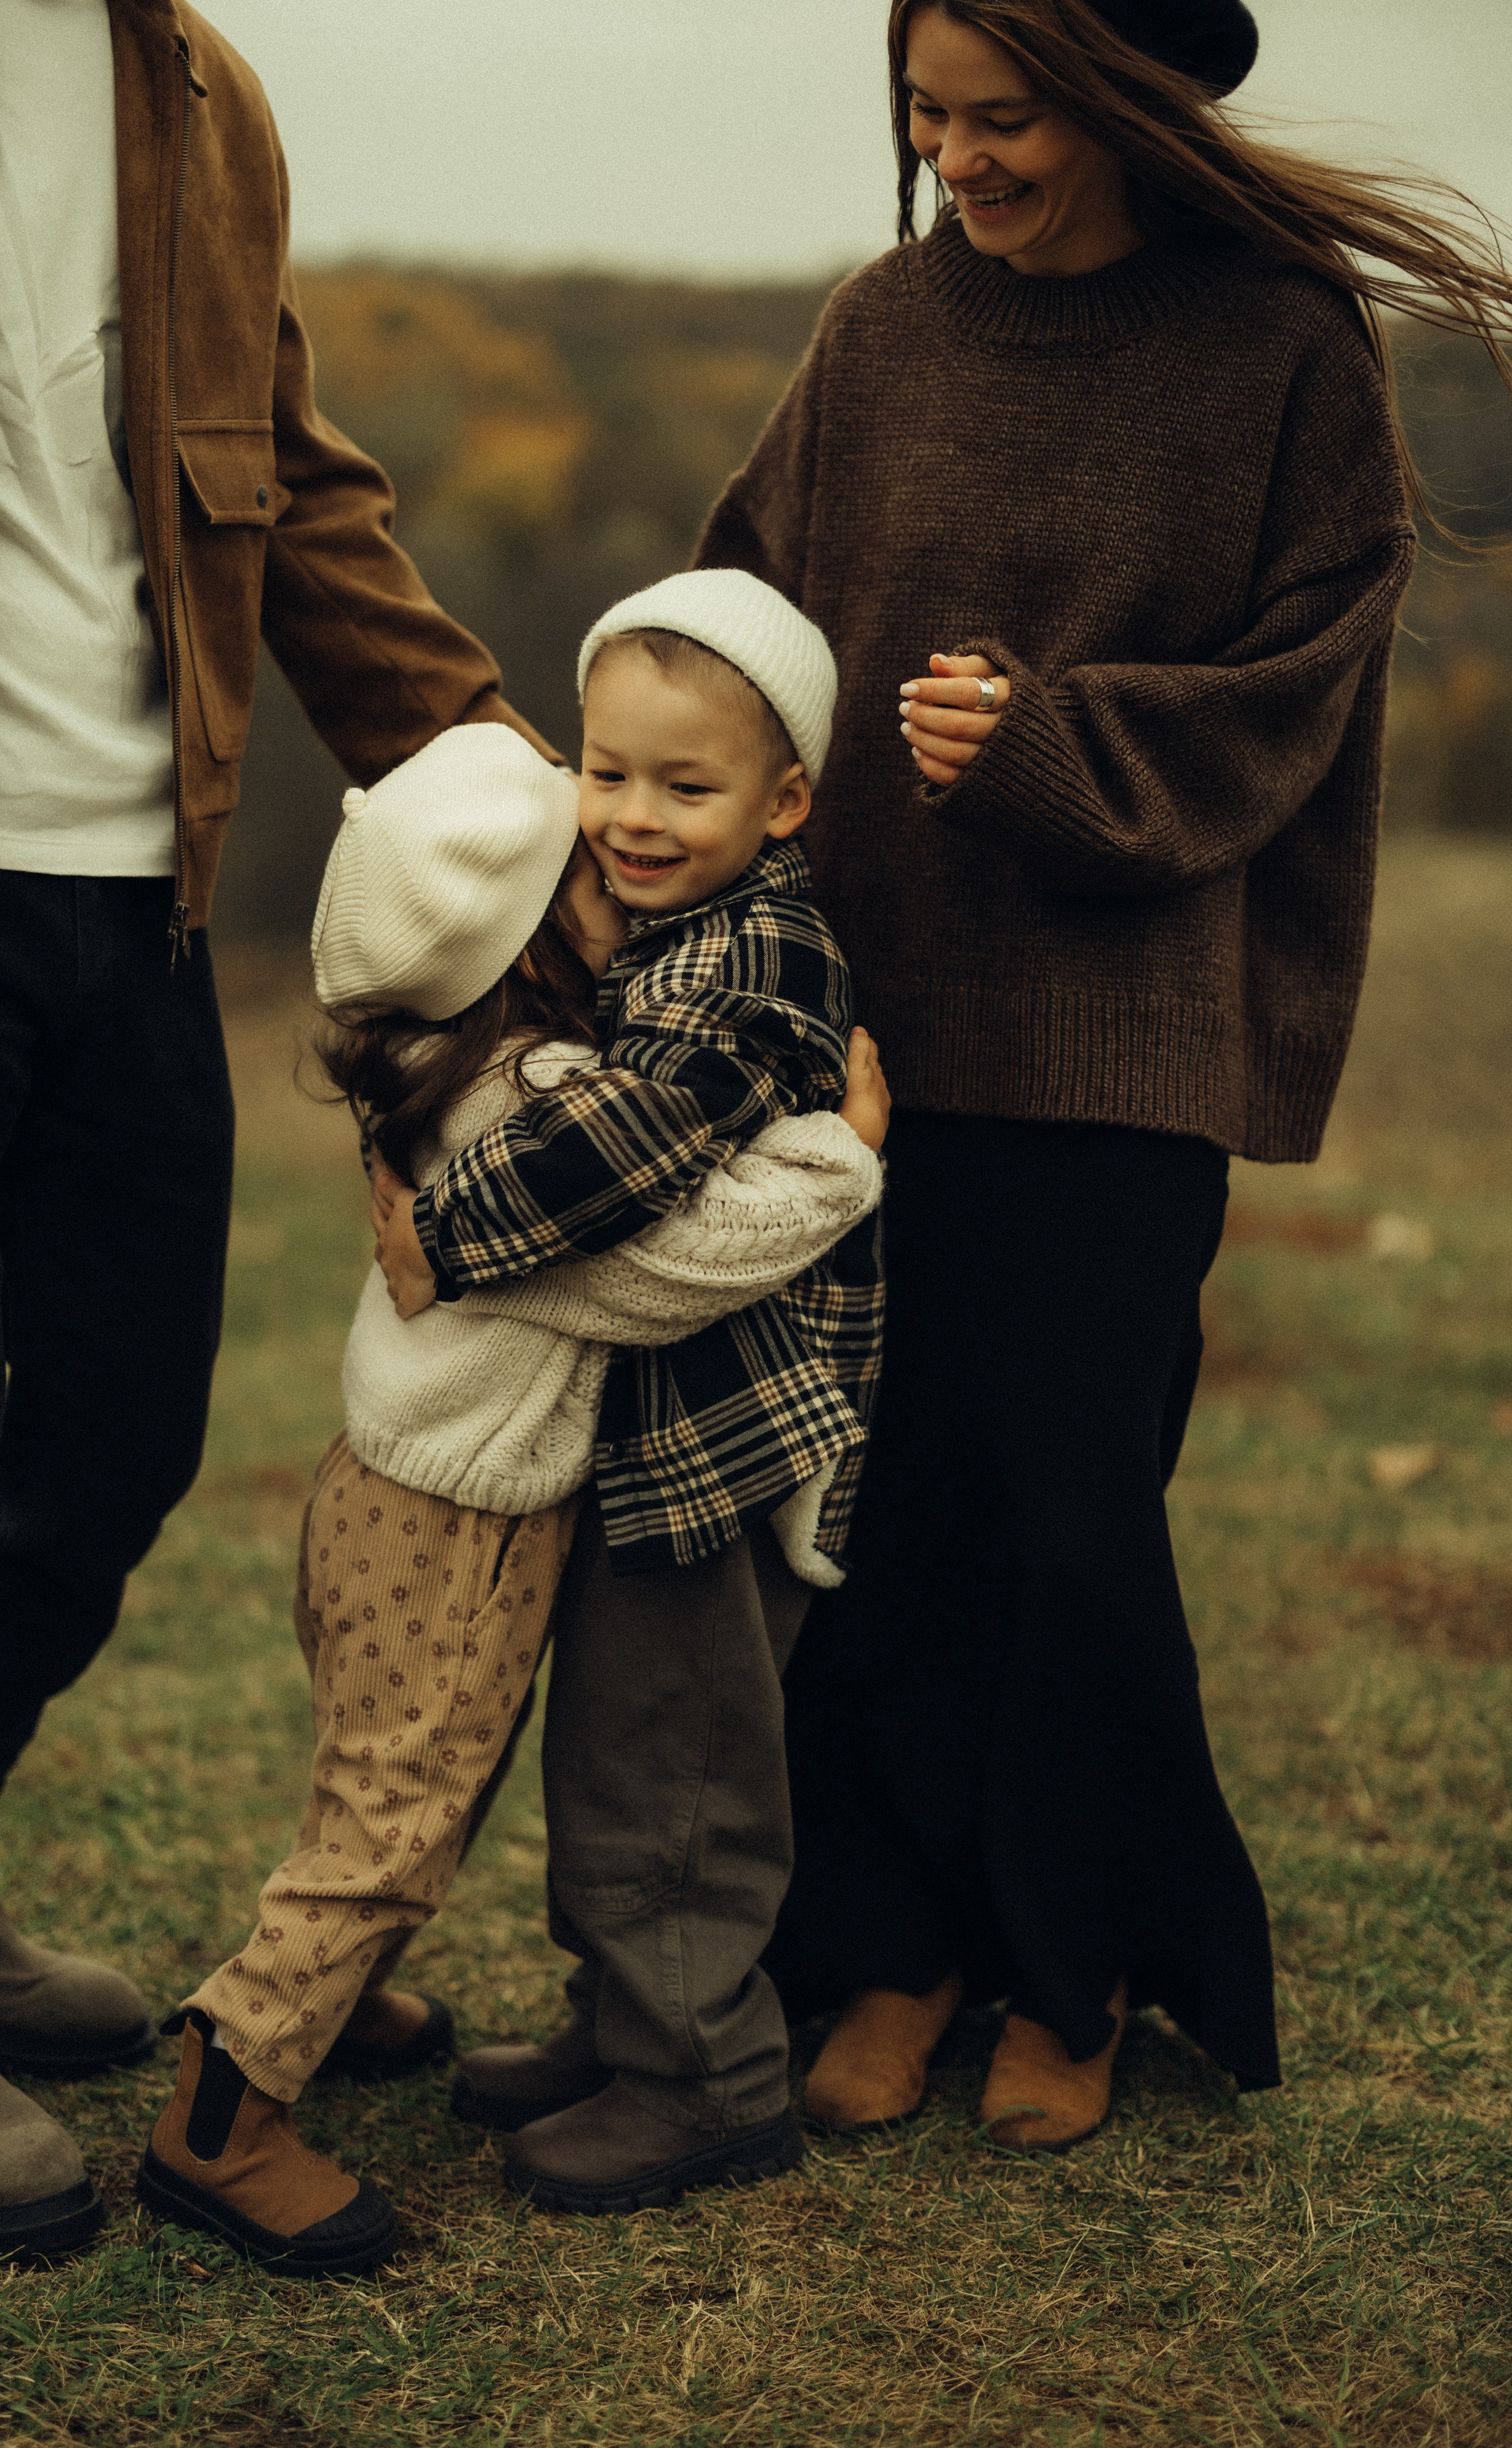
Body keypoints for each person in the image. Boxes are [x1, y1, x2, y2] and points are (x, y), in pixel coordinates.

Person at [694, 0, 1512, 2146]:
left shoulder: (1283, 346)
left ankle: (1077, 1960)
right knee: (866, 1511)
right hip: (858, 1022)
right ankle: (897, 1941)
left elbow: (1310, 679)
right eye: (927, 117)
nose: (960, 159)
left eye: (1008, 119)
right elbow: (750, 599)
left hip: (1123, 1034)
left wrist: (1058, 746)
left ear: (1133, 105)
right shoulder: (882, 328)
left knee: (1068, 1523)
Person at [0, 0, 556, 2261]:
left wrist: (523, 812)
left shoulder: (195, 93)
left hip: (136, 901)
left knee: (111, 1438)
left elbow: (298, 490)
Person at [133, 722, 888, 2277]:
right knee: (398, 1816)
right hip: (457, 1532)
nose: (618, 845)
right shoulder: (534, 1093)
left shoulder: (436, 1060)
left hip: (375, 1498)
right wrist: (836, 1163)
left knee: (406, 1782)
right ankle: (223, 2118)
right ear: (530, 927)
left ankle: (332, 2012)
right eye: (581, 850)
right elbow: (664, 1274)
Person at [380, 570, 887, 2213]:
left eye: (688, 787)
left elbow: (615, 1149)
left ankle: (708, 2081)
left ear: (783, 798)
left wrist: (440, 1230)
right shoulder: (662, 920)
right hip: (648, 1424)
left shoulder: (753, 961)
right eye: (606, 774)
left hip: (720, 1441)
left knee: (672, 1764)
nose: (632, 817)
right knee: (612, 1738)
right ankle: (621, 2017)